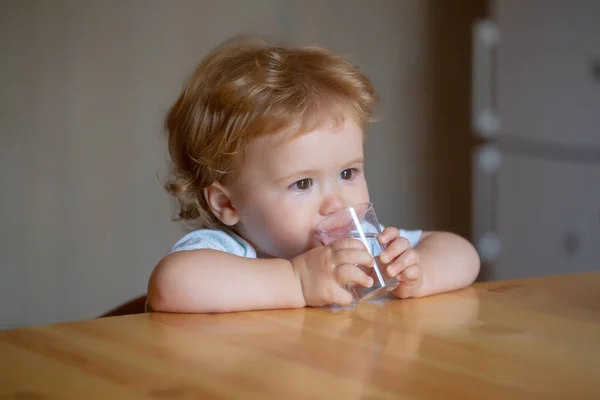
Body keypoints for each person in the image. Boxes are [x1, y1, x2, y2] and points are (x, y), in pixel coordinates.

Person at [147, 36, 480, 313]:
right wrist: (297, 280)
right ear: (227, 204)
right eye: (303, 183)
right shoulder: (227, 252)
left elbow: (462, 252)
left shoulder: (363, 246)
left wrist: (419, 273)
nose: (336, 201)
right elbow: (170, 285)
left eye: (348, 172)